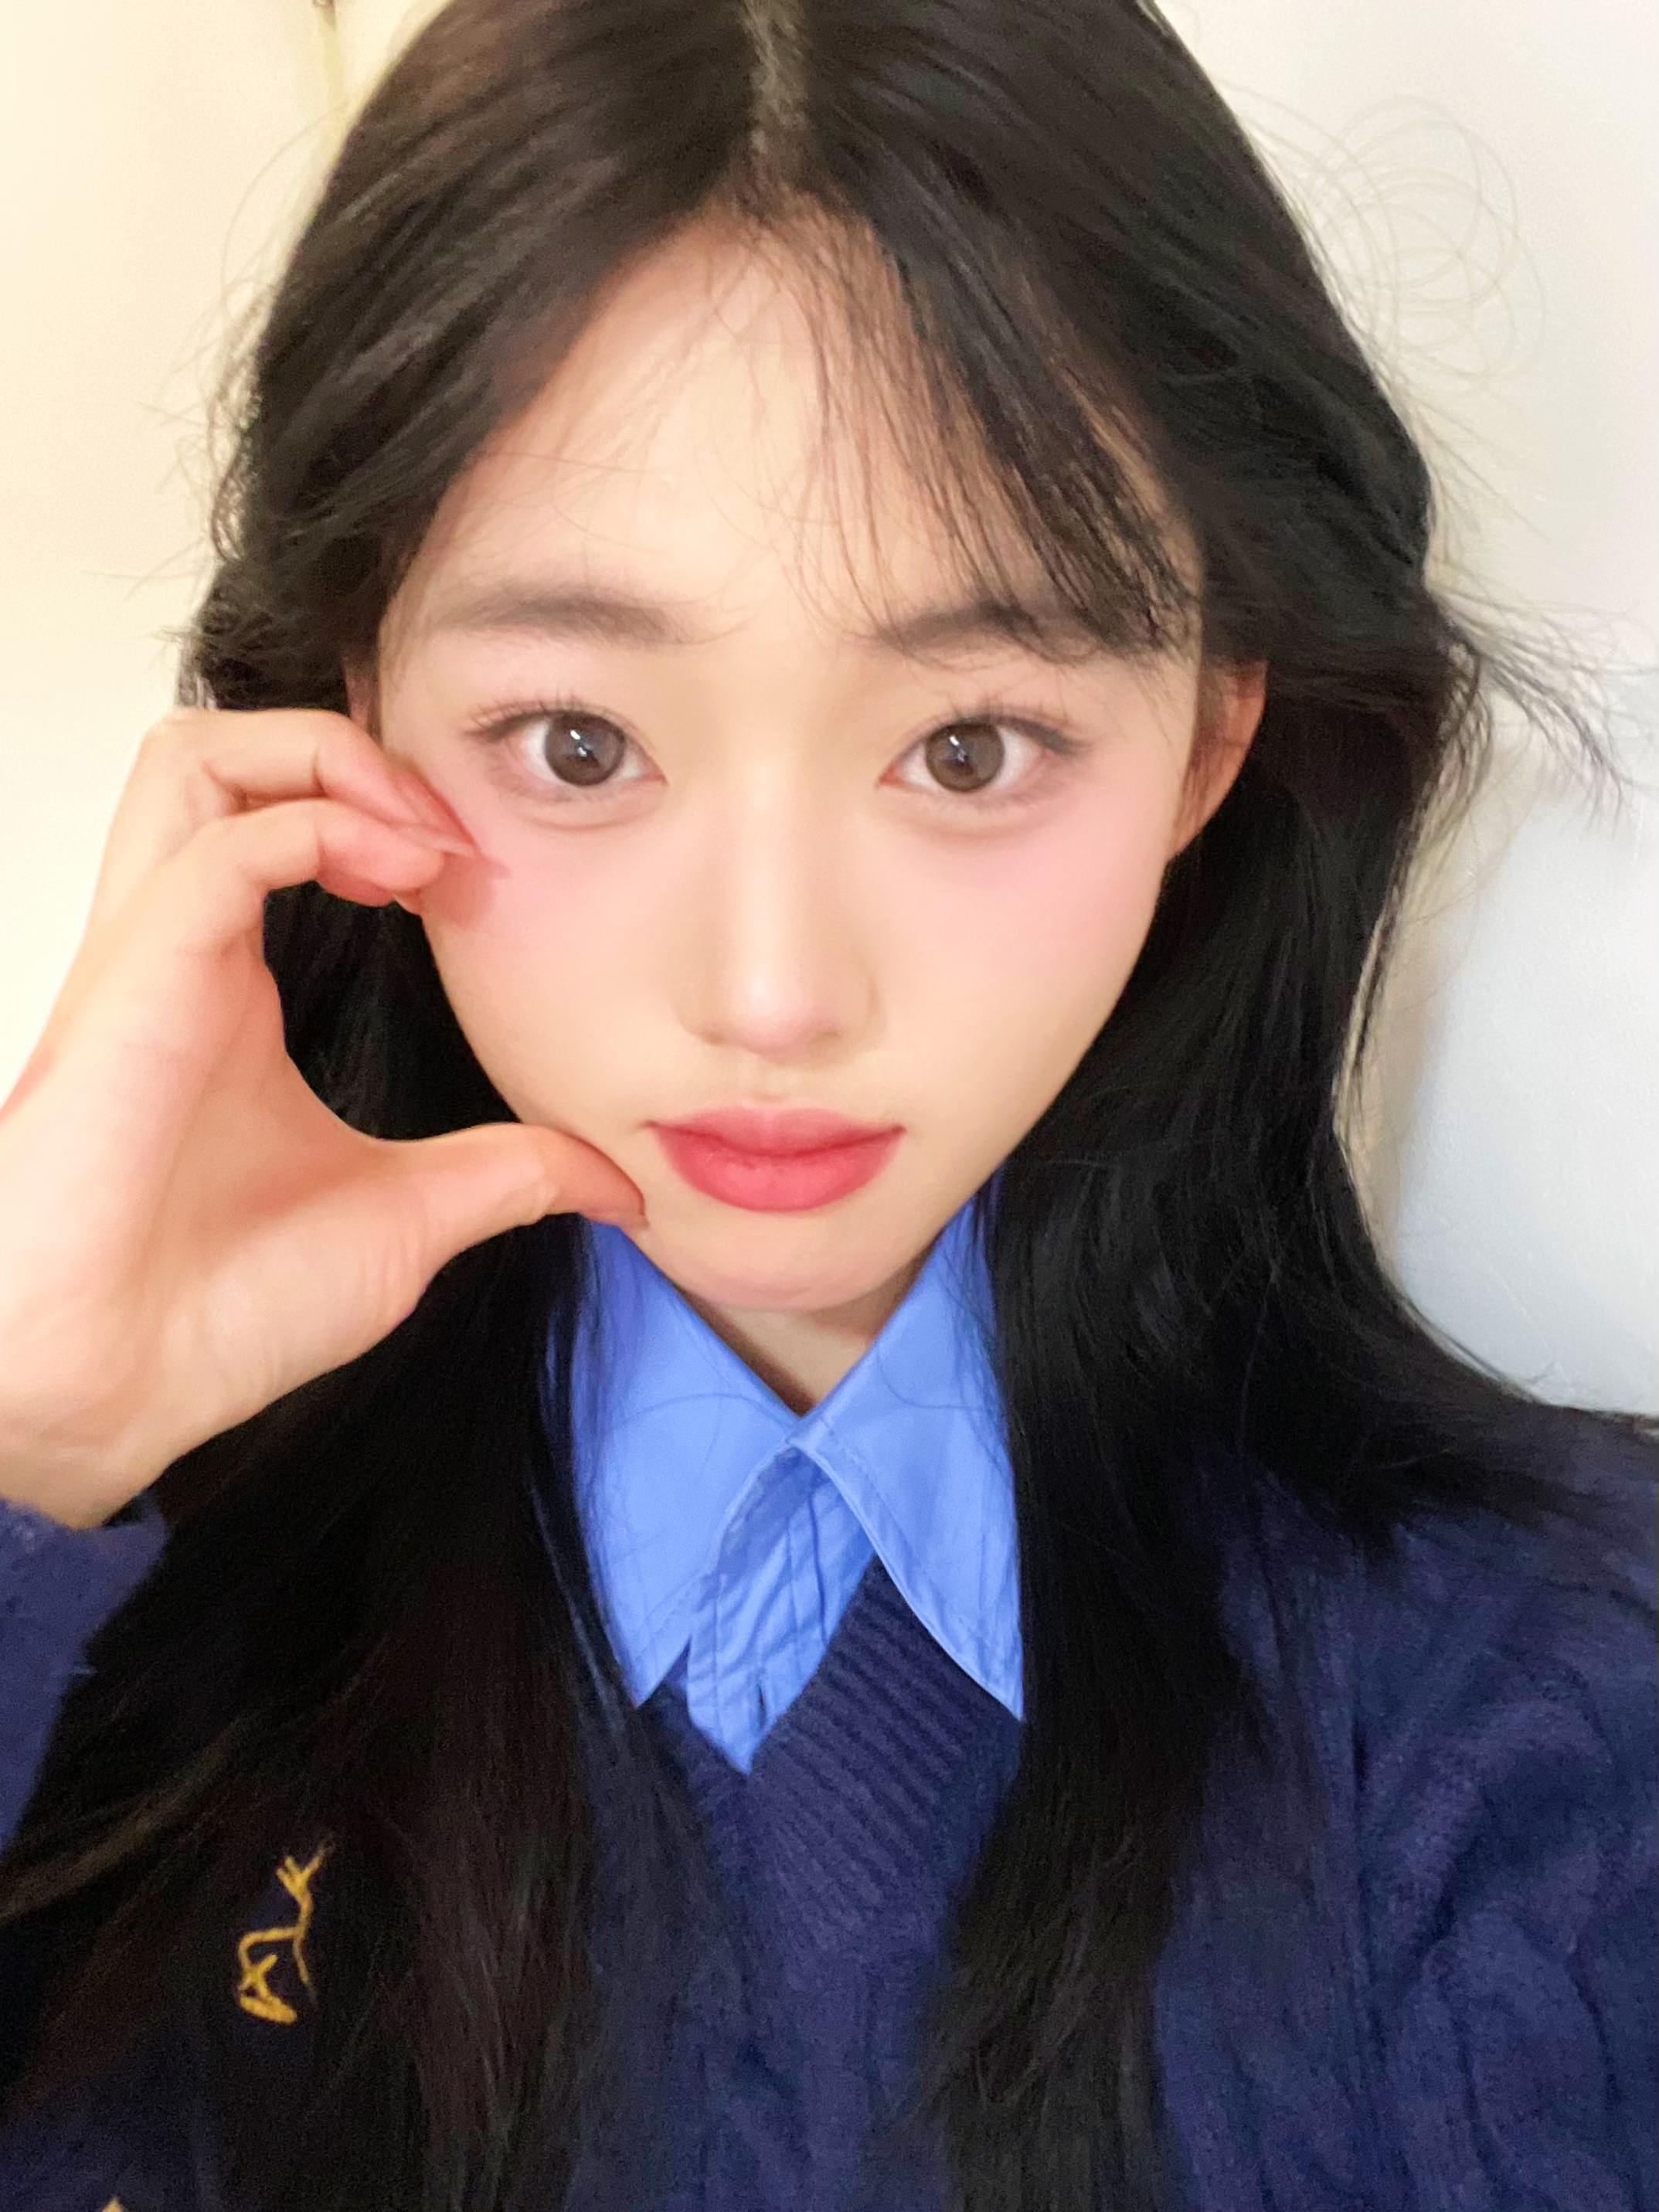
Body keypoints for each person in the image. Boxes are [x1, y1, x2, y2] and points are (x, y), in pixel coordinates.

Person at [0, 0, 1653, 2205]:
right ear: (349, 718)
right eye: (579, 743)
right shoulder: (93, 1631)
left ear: (1206, 742)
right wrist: (21, 1426)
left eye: (967, 747)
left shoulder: (1561, 1719)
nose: (773, 994)